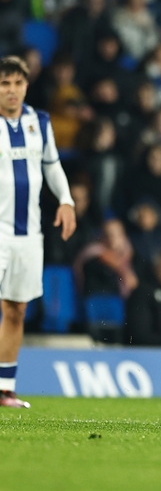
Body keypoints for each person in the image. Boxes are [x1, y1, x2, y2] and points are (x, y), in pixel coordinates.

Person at [0, 56, 76, 408]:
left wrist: (66, 200)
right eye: (4, 84)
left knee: (16, 310)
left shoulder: (40, 122)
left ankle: (4, 389)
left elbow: (52, 165)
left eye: (17, 83)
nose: (11, 90)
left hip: (28, 235)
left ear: (26, 86)